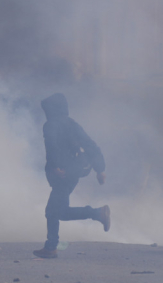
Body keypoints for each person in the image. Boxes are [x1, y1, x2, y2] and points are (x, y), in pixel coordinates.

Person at [33, 93, 110, 259]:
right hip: (73, 172)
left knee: (53, 212)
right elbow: (90, 145)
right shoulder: (72, 124)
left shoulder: (50, 125)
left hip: (62, 173)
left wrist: (55, 166)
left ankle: (52, 246)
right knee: (59, 212)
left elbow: (51, 146)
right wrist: (100, 169)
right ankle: (52, 246)